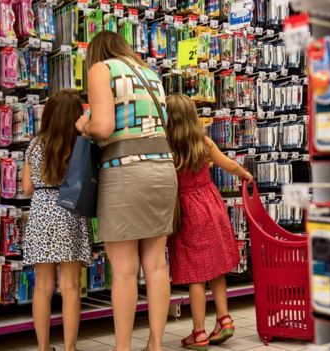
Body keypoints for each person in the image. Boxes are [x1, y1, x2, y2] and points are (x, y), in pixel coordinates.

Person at [76, 31, 177, 351]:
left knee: (123, 270)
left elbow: (104, 127)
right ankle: (156, 345)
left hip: (125, 172)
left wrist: (84, 125)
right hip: (163, 171)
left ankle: (122, 348)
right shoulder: (150, 73)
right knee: (157, 265)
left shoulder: (101, 69)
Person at [164, 94, 253, 350]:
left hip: (187, 212)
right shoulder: (203, 142)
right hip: (211, 204)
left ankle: (199, 332)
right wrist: (246, 175)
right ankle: (224, 319)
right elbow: (229, 166)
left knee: (195, 276)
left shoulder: (168, 149)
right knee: (216, 268)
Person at [22, 90, 93, 351]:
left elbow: (27, 188)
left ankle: (43, 347)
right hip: (70, 211)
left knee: (42, 287)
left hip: (41, 213)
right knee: (71, 286)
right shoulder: (80, 144)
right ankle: (70, 348)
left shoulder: (34, 145)